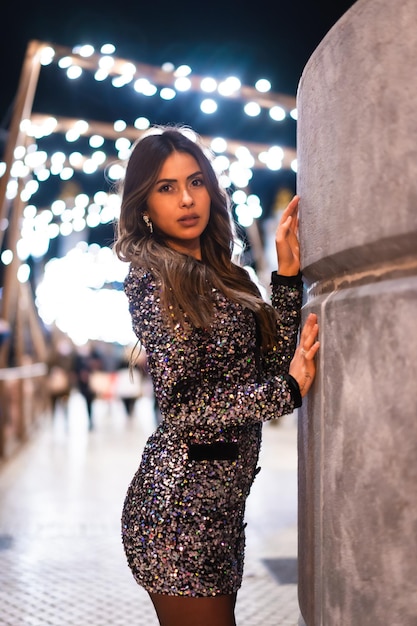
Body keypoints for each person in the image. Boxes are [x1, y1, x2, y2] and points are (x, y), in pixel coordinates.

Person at [114, 125, 319, 626]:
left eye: (195, 182)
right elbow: (185, 407)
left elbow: (266, 369)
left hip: (222, 511)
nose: (186, 199)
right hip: (177, 510)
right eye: (166, 188)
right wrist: (287, 391)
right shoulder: (152, 278)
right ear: (145, 205)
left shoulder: (230, 275)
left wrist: (287, 278)